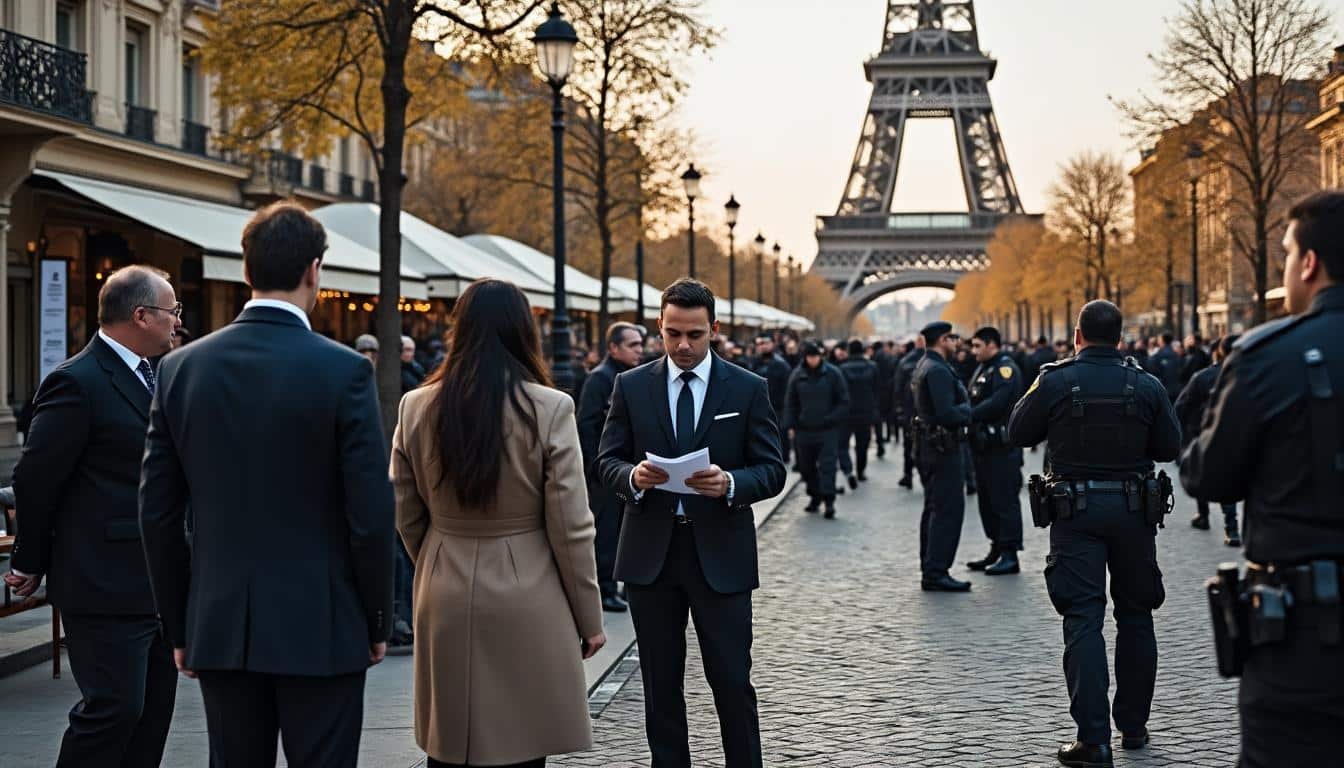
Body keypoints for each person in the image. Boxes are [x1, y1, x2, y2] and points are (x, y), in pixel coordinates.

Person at [138, 202, 397, 768]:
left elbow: (157, 513)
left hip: (221, 621)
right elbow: (371, 512)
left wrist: (180, 625)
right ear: (314, 270)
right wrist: (378, 617)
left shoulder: (181, 369)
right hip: (324, 620)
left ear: (245, 270)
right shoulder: (344, 370)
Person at [391, 279, 603, 768]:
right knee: (521, 738)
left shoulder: (416, 405)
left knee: (449, 739)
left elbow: (405, 508)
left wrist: (433, 560)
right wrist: (589, 616)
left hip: (444, 576)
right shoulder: (549, 407)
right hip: (528, 581)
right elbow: (570, 524)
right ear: (524, 331)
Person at [1180, 191, 1344, 768]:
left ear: (1309, 263)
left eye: (1286, 253)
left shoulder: (1268, 356)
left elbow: (1208, 475)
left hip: (1307, 637)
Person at [596, 278, 785, 768]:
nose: (683, 345)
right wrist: (632, 477)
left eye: (695, 335)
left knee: (731, 680)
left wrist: (730, 483)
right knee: (660, 685)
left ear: (714, 329)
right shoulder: (630, 386)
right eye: (673, 333)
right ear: (659, 327)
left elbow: (773, 469)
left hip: (721, 555)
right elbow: (606, 460)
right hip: (651, 557)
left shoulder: (748, 387)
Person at [5, 266, 180, 767]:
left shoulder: (159, 375)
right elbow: (35, 479)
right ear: (141, 315)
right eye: (172, 311)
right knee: (114, 711)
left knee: (152, 718)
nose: (177, 321)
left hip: (160, 582)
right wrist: (30, 558)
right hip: (102, 582)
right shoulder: (75, 381)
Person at [1008, 300, 1181, 768]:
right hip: (1134, 512)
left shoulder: (1056, 379)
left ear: (1077, 336)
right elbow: (1169, 447)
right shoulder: (1146, 384)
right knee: (1137, 615)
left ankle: (1094, 739)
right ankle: (1134, 726)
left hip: (1075, 513)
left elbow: (1017, 431)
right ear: (1121, 338)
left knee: (1083, 619)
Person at [577, 321, 646, 613]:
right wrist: (597, 469)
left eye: (640, 344)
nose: (640, 350)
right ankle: (605, 589)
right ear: (614, 348)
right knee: (606, 533)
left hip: (628, 470)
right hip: (606, 473)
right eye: (633, 345)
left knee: (626, 531)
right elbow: (586, 426)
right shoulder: (599, 379)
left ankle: (624, 586)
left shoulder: (630, 376)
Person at [911, 322, 973, 592]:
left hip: (930, 446)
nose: (957, 343)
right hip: (942, 448)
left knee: (934, 508)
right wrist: (968, 410)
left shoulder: (925, 365)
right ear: (943, 340)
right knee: (947, 510)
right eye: (953, 338)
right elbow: (947, 412)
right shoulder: (937, 370)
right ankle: (936, 571)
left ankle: (930, 566)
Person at [965, 327, 1025, 576]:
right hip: (984, 446)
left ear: (992, 344)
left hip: (1001, 447)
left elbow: (998, 402)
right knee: (988, 500)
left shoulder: (1004, 369)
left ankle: (1010, 553)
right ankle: (997, 546)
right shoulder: (984, 367)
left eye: (977, 346)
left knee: (1004, 500)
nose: (973, 351)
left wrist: (967, 414)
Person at [1173, 334, 1240, 545]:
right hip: (1236, 436)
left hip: (1205, 433)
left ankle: (1204, 516)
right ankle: (1232, 528)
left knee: (1201, 472)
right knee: (1227, 478)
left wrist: (1183, 432)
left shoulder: (1203, 377)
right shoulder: (1248, 374)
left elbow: (1181, 407)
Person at [783, 342, 850, 518]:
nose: (813, 360)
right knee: (806, 467)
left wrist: (831, 419)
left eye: (815, 356)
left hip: (827, 430)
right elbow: (791, 403)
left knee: (828, 466)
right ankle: (815, 496)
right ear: (805, 357)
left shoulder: (833, 374)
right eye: (810, 357)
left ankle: (829, 501)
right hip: (804, 431)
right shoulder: (797, 375)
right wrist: (790, 425)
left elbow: (843, 401)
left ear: (820, 356)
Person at [838, 338, 881, 483]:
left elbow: (840, 392)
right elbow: (877, 390)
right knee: (862, 444)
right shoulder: (872, 367)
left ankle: (848, 469)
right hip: (866, 412)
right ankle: (861, 471)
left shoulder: (842, 368)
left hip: (846, 412)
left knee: (842, 444)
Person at [751, 335, 793, 465]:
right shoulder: (754, 363)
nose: (762, 346)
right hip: (758, 406)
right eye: (759, 343)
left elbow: (788, 390)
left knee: (780, 436)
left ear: (773, 344)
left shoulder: (781, 365)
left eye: (765, 343)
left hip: (778, 407)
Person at [894, 337, 926, 489]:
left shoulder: (905, 361)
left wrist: (899, 408)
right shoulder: (932, 361)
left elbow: (898, 387)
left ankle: (908, 475)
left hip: (909, 410)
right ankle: (924, 477)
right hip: (925, 412)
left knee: (908, 444)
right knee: (925, 445)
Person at [1144, 332, 1182, 401]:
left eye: (1159, 339)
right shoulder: (1176, 355)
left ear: (1162, 340)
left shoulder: (1158, 355)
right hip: (1176, 389)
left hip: (1163, 388)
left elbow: (1151, 369)